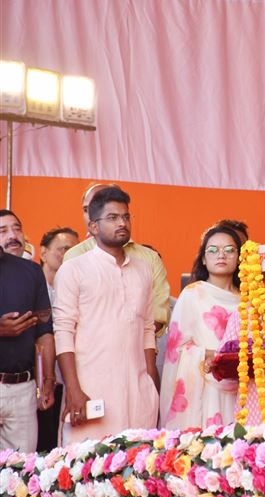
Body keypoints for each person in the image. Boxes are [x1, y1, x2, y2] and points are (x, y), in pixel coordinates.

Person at [54, 187, 159, 443]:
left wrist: (151, 383)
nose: (122, 223)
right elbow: (63, 332)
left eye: (126, 216)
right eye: (112, 218)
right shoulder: (74, 269)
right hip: (91, 392)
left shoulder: (143, 270)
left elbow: (147, 329)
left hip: (138, 392)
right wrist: (74, 389)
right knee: (89, 472)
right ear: (93, 227)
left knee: (136, 471)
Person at [160, 225, 241, 429]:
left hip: (242, 387)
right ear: (204, 259)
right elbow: (176, 351)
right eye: (213, 250)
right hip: (204, 388)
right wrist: (209, 355)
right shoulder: (192, 295)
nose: (221, 255)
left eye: (229, 250)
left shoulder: (249, 299)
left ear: (240, 256)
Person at [64, 182, 171, 336]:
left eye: (123, 216)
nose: (90, 214)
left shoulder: (149, 259)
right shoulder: (74, 257)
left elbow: (158, 315)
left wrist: (126, 340)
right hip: (90, 353)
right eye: (86, 209)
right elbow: (67, 324)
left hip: (140, 351)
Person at [0, 227, 56, 453]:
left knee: (22, 477)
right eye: (3, 229)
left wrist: (49, 379)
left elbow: (44, 330)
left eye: (17, 229)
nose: (12, 235)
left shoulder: (30, 271)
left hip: (23, 388)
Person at [36, 226, 78, 452]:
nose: (69, 256)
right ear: (43, 253)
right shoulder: (33, 287)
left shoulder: (76, 289)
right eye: (63, 249)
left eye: (74, 250)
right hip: (35, 382)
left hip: (66, 380)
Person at [39, 227, 79, 301]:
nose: (73, 254)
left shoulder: (78, 288)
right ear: (43, 253)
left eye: (76, 250)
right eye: (65, 249)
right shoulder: (30, 287)